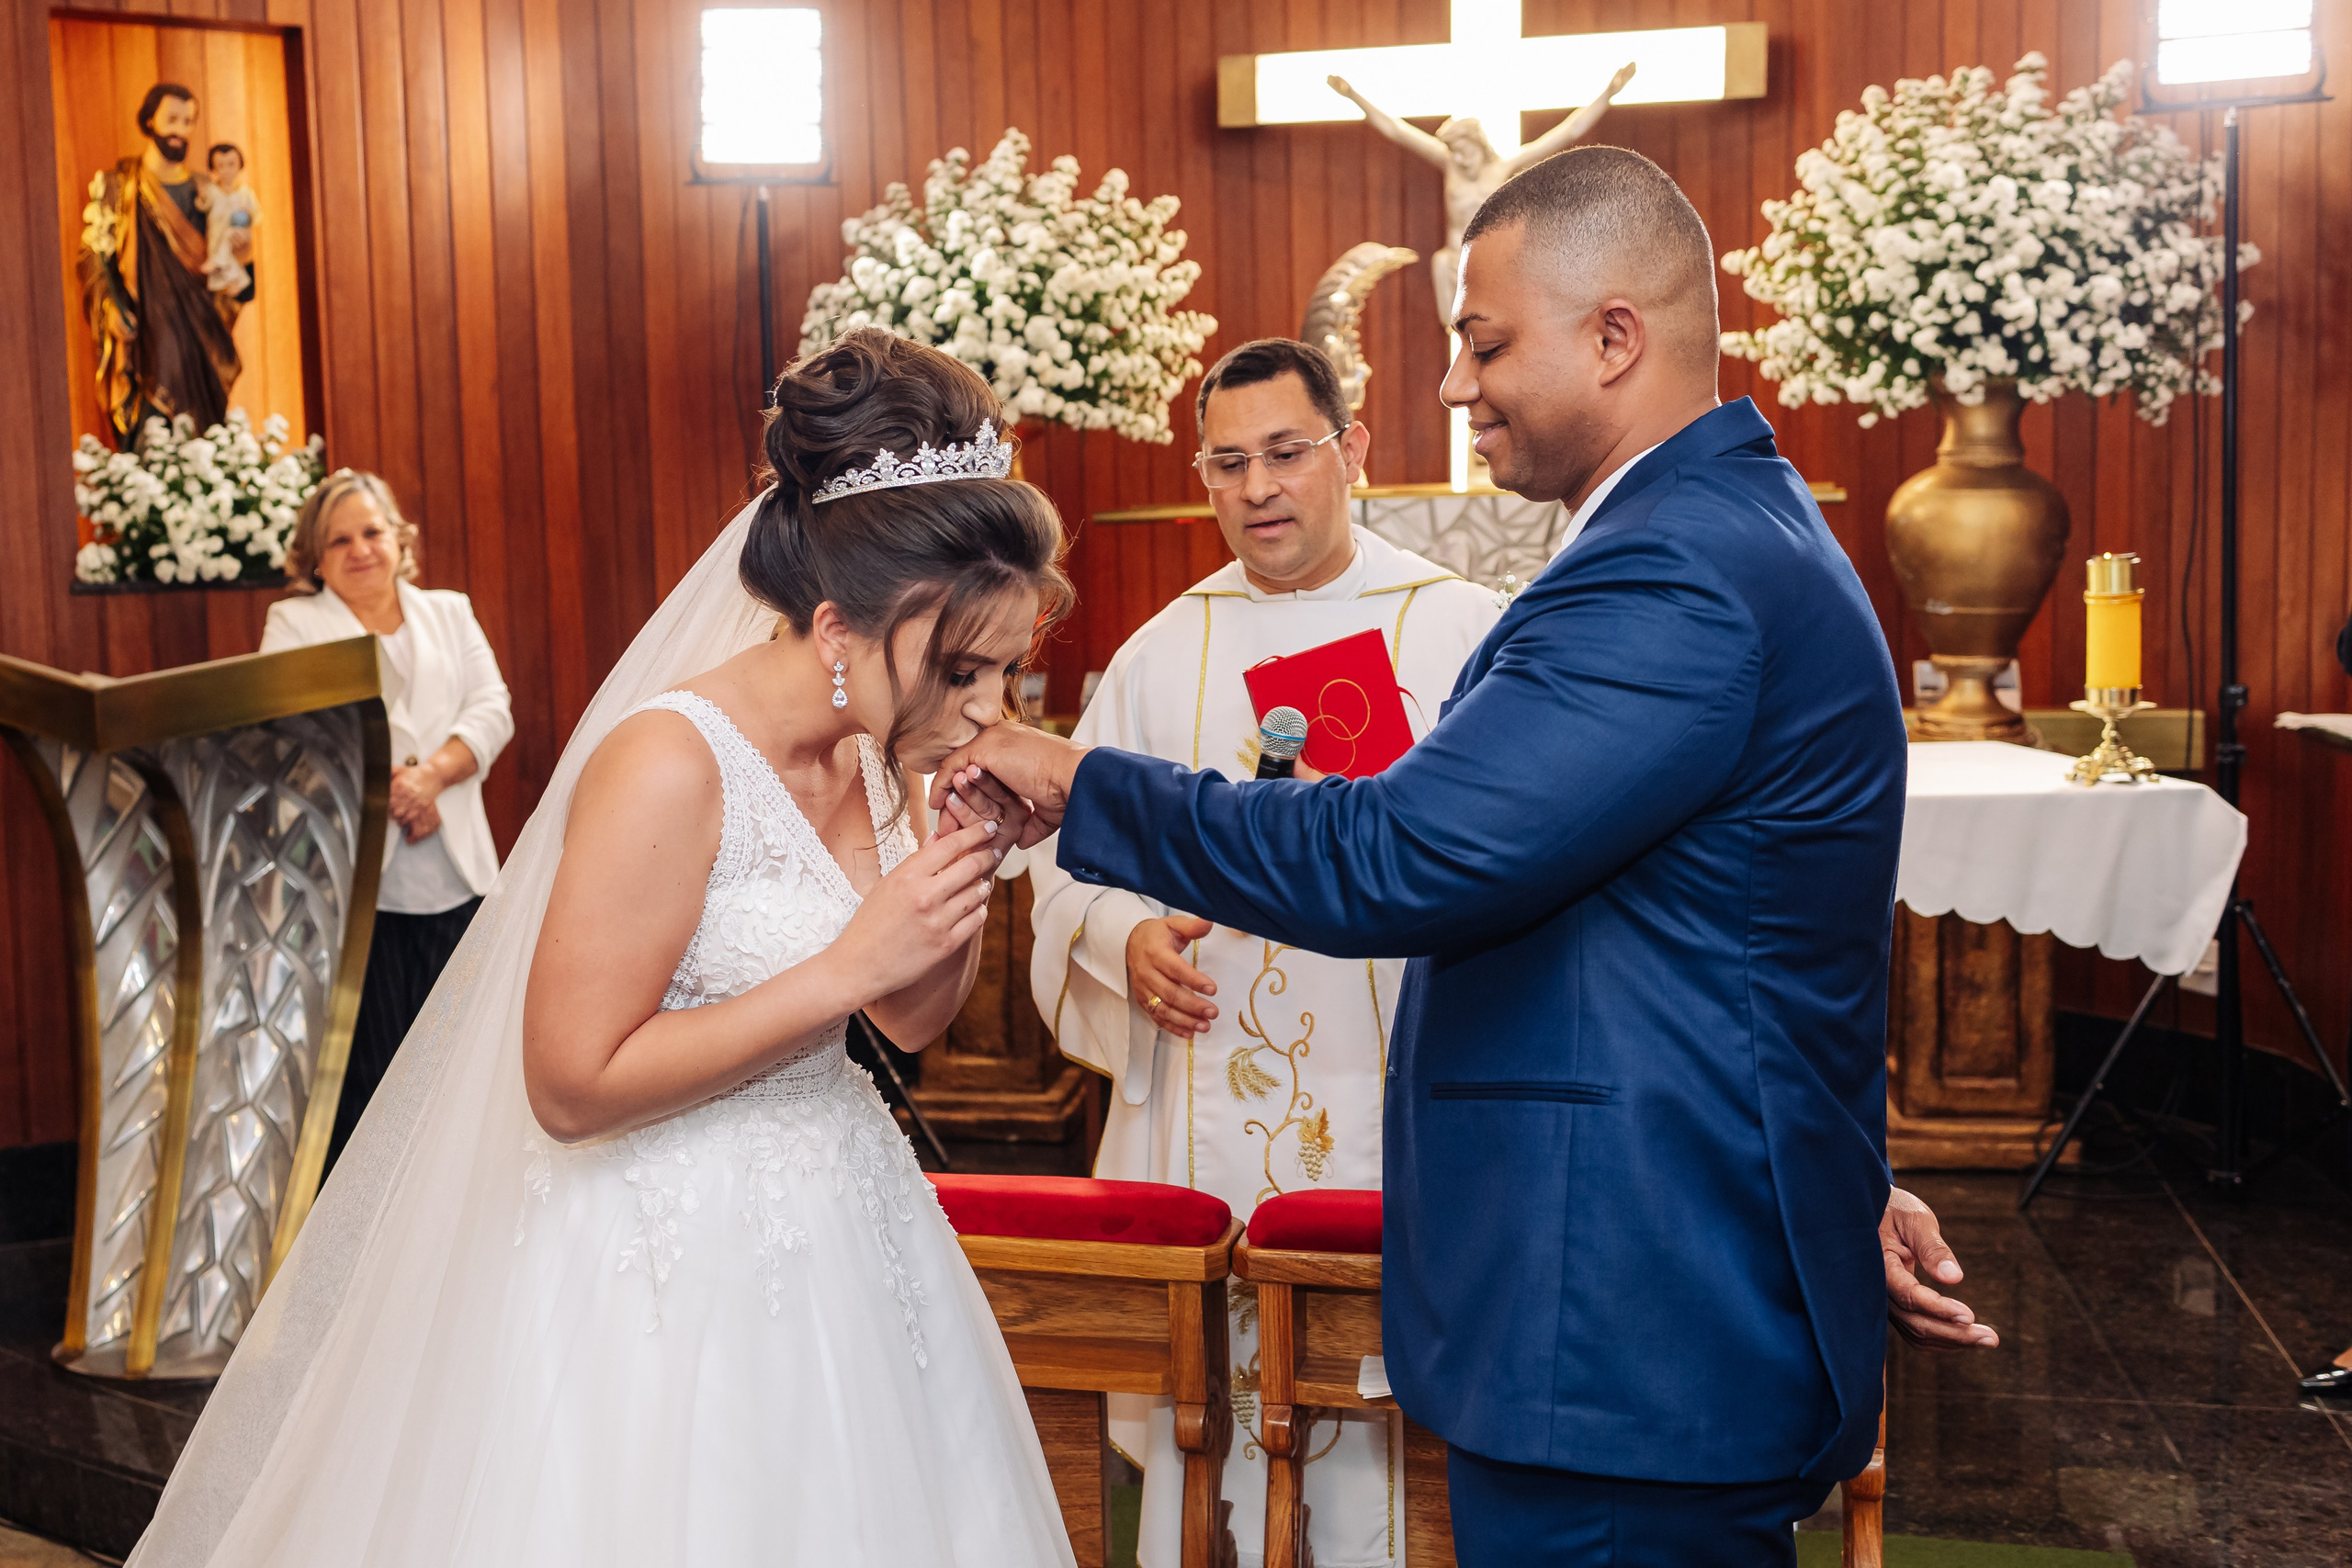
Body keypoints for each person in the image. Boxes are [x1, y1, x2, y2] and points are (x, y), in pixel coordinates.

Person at [935, 147, 1999, 1566]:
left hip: (1625, 1319)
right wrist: (1819, 1167)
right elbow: (1718, 943)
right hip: (1652, 1268)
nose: (1452, 386)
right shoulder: (1714, 530)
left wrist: (1077, 778)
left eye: (1485, 342)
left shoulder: (1673, 568)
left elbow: (1404, 852)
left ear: (1616, 337)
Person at [129, 330, 1077, 1567]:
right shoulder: (670, 761)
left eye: (1007, 671)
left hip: (850, 1228)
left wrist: (962, 873)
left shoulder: (880, 746)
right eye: (964, 668)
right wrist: (844, 964)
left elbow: (908, 1022)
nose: (988, 708)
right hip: (659, 1264)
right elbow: (570, 1084)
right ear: (842, 624)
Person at [1027, 337, 1501, 1568]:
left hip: (1399, 1101)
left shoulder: (1458, 630)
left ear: (1351, 451)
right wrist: (1119, 934)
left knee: (1395, 1457)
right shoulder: (1159, 649)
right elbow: (1057, 857)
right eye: (1228, 463)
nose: (1257, 487)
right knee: (1220, 1446)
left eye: (1287, 453)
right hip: (1208, 1102)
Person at [261, 469, 514, 1172]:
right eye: (338, 540)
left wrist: (431, 777)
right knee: (368, 1082)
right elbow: (293, 731)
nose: (359, 549)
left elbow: (493, 707)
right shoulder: (295, 624)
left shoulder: (449, 611)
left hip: (455, 871)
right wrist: (393, 788)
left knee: (456, 1067)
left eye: (371, 531)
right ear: (314, 557)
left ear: (399, 539)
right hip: (356, 881)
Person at [1328, 62, 1636, 332]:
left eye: (1465, 152)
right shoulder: (1449, 164)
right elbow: (1396, 130)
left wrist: (1609, 92)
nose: (1460, 161)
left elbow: (1568, 132)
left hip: (1491, 264)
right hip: (1452, 261)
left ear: (1479, 145)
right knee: (1456, 325)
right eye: (1455, 154)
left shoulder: (1503, 167)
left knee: (1491, 331)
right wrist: (1351, 94)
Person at [78, 83, 251, 446]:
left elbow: (235, 280)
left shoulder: (209, 190)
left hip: (201, 336)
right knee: (151, 436)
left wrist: (243, 258)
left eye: (189, 121)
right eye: (172, 119)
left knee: (204, 440)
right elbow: (94, 257)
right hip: (147, 337)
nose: (181, 130)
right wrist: (110, 308)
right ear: (149, 121)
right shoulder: (120, 185)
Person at [200, 141, 261, 298]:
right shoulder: (213, 191)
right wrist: (202, 198)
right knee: (225, 261)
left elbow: (257, 214)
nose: (226, 171)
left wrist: (248, 218)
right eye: (221, 166)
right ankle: (233, 282)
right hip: (216, 234)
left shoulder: (244, 193)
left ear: (239, 165)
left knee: (230, 247)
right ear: (214, 169)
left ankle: (219, 263)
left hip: (237, 234)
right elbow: (203, 206)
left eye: (231, 165)